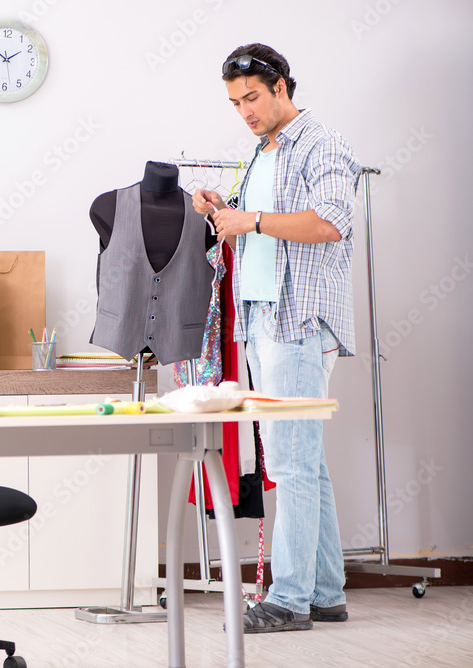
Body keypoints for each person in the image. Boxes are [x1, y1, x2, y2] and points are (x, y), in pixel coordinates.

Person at [192, 43, 361, 633]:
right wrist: (226, 212)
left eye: (253, 98)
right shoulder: (260, 153)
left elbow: (332, 222)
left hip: (299, 323)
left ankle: (287, 601)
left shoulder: (323, 144)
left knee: (289, 467)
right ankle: (324, 592)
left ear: (282, 86)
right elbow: (252, 235)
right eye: (236, 102)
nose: (245, 110)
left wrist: (252, 220)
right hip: (264, 318)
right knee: (302, 465)